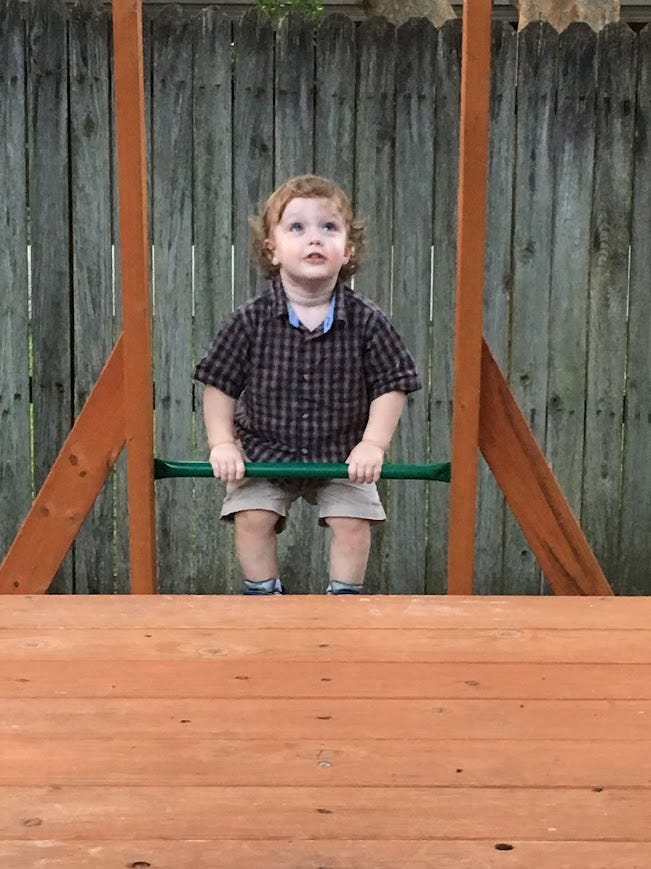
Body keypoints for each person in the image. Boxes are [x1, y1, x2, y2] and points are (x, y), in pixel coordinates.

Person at [194, 174, 421, 595]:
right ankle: (262, 594)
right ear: (272, 249)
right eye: (296, 227)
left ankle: (344, 599)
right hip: (265, 448)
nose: (313, 238)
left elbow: (393, 385)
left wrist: (373, 445)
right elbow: (218, 383)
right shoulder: (250, 319)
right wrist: (221, 443)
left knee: (352, 523)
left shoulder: (367, 320)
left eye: (328, 228)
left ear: (347, 251)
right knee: (252, 517)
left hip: (342, 453)